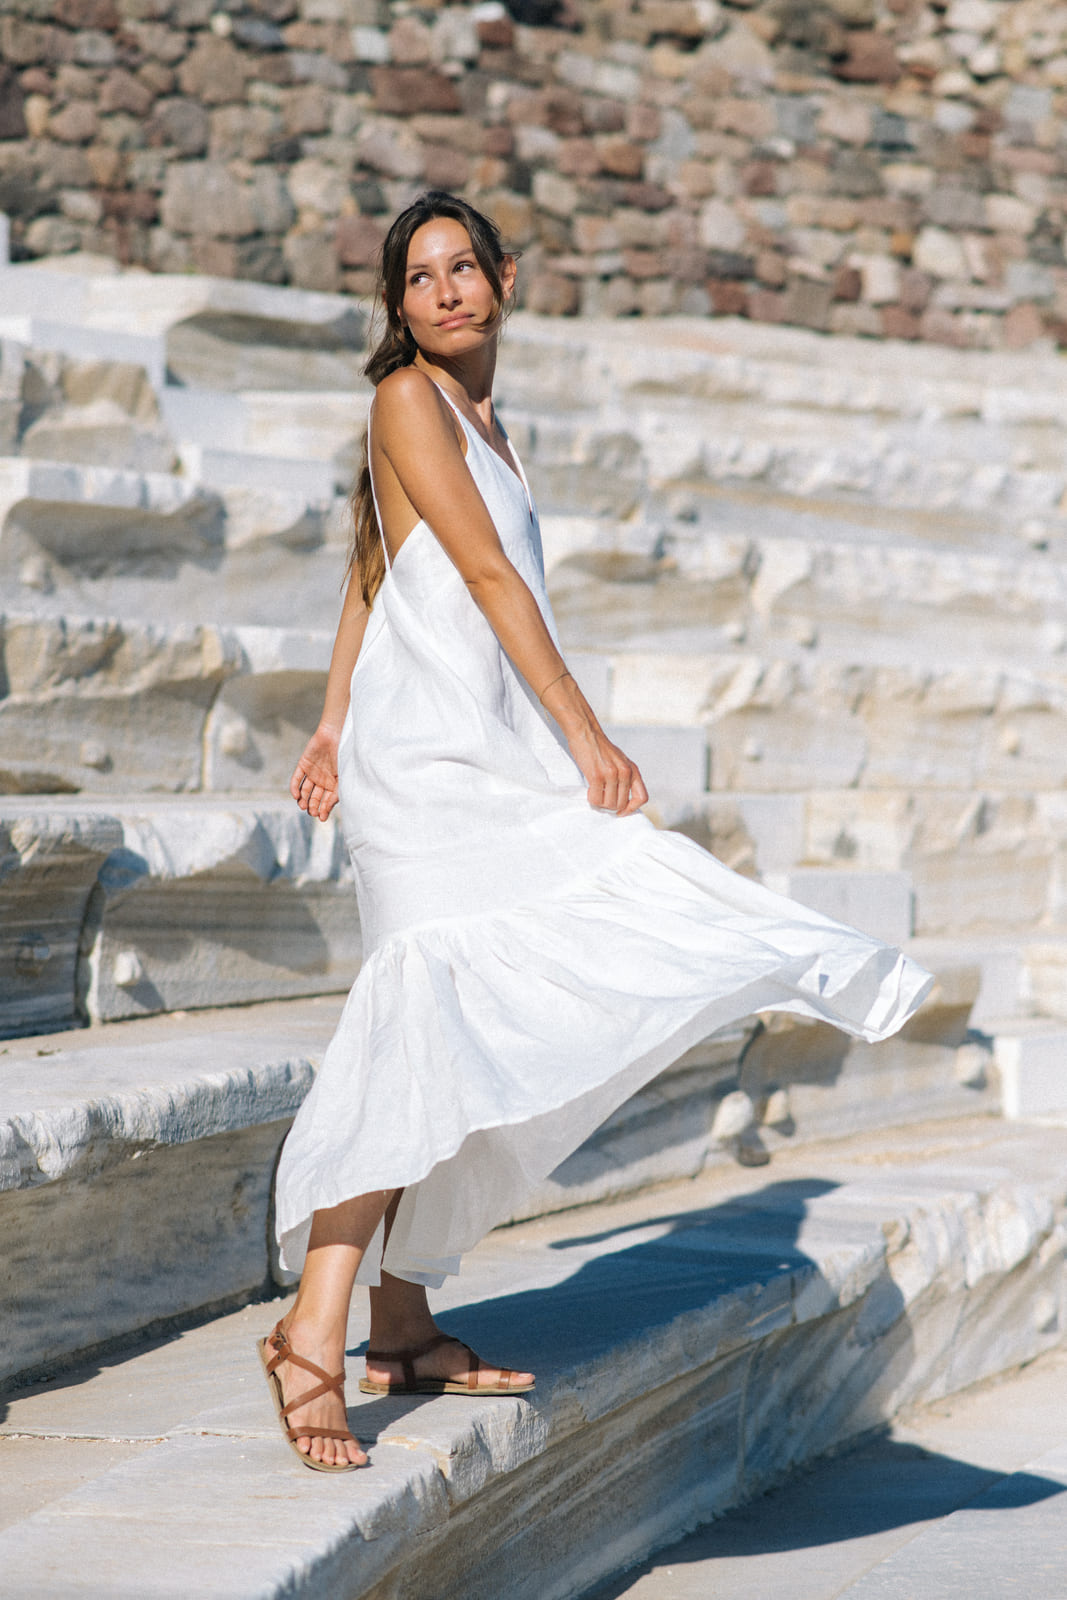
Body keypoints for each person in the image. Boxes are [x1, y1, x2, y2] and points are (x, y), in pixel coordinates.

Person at [259, 191, 933, 1472]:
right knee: (429, 1012)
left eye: (465, 267)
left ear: (505, 279)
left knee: (475, 1013)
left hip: (472, 746)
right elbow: (485, 581)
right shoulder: (406, 395)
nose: (447, 290)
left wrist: (331, 714)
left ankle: (398, 1321)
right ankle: (313, 1330)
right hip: (438, 764)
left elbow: (370, 563)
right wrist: (579, 736)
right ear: (395, 308)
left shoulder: (487, 425)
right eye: (420, 277)